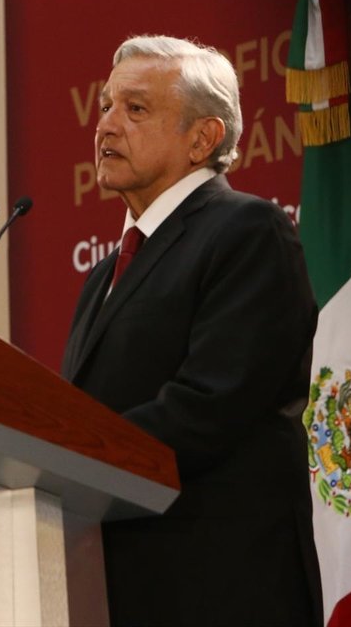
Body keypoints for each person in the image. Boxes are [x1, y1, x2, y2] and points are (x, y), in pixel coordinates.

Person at [61, 35, 323, 626]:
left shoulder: (247, 231)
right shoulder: (104, 275)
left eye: (134, 109)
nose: (105, 125)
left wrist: (62, 464)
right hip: (117, 594)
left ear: (202, 138)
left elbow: (209, 405)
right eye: (104, 105)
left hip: (219, 591)